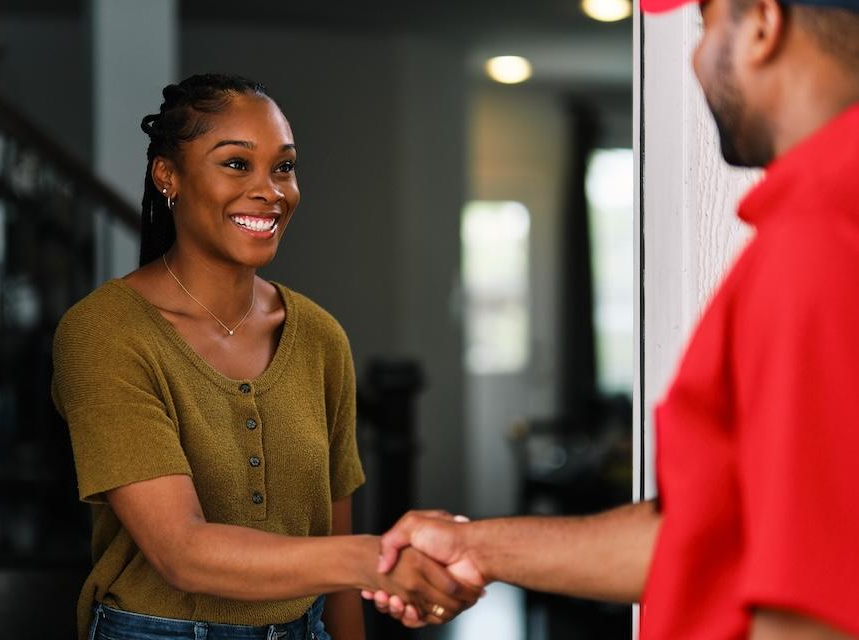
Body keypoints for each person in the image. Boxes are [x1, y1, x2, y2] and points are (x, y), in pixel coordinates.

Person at [365, 0, 859, 637]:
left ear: (762, 25)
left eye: (705, 24)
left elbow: (813, 606)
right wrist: (477, 547)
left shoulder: (818, 242)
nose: (695, 58)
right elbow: (707, 537)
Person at [52, 73, 480, 640]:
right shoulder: (105, 332)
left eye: (284, 167)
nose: (271, 190)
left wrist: (363, 572)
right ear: (167, 175)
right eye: (237, 164)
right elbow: (181, 553)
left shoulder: (320, 337)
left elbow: (336, 549)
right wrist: (376, 558)